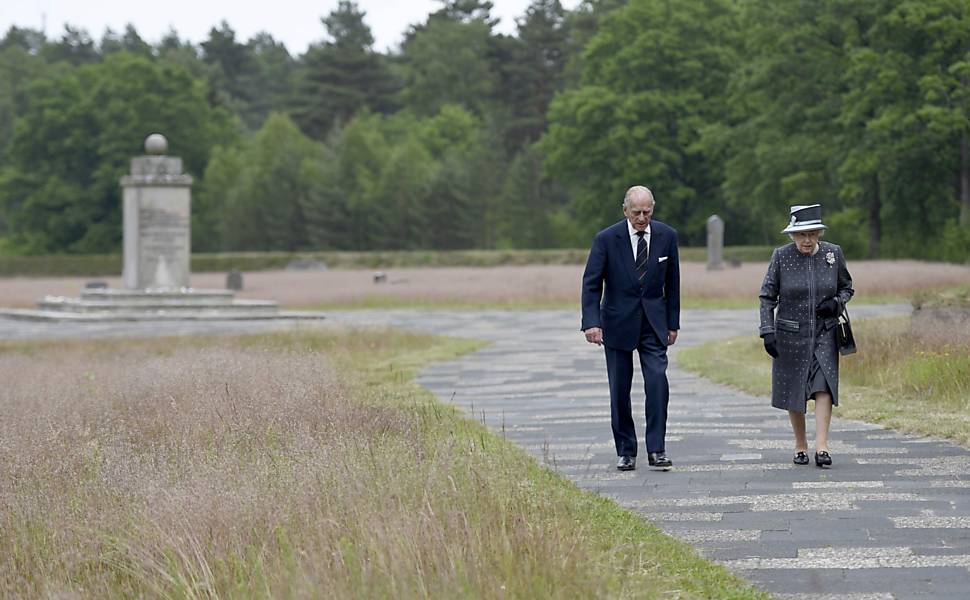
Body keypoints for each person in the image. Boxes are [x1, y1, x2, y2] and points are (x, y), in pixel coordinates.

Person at [581, 186, 681, 471]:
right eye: (636, 212)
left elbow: (673, 283)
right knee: (620, 390)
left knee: (657, 383)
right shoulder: (606, 239)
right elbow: (591, 284)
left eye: (647, 212)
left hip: (653, 323)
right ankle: (626, 450)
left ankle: (657, 449)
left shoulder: (667, 236)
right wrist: (591, 323)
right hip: (616, 323)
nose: (641, 218)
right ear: (625, 210)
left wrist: (673, 324)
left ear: (653, 209)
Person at [759, 204, 854, 468]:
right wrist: (767, 331)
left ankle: (822, 447)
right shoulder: (781, 256)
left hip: (825, 332)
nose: (807, 240)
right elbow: (767, 297)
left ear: (819, 234)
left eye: (812, 234)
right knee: (795, 389)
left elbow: (847, 287)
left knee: (824, 385)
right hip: (790, 334)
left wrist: (837, 302)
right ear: (793, 235)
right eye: (802, 235)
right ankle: (800, 445)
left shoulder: (833, 253)